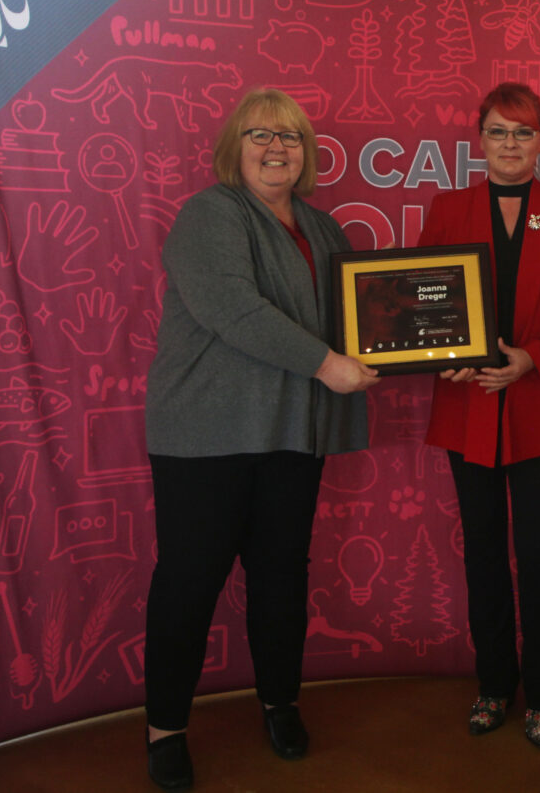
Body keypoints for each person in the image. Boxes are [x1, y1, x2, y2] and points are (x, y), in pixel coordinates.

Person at [143, 88, 379, 790]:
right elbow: (233, 309)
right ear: (233, 148)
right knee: (190, 581)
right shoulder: (208, 215)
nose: (277, 148)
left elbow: (359, 316)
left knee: (281, 576)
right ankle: (164, 730)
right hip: (205, 433)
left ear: (306, 152)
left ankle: (280, 703)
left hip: (290, 429)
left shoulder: (323, 227)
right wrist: (328, 364)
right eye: (260, 135)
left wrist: (432, 348)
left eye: (292, 137)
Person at [419, 82, 540, 747]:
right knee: (483, 556)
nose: (509, 144)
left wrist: (534, 358)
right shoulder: (448, 207)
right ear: (479, 139)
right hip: (469, 404)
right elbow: (427, 301)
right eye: (498, 131)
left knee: (536, 552)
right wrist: (445, 351)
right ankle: (493, 685)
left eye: (522, 132)